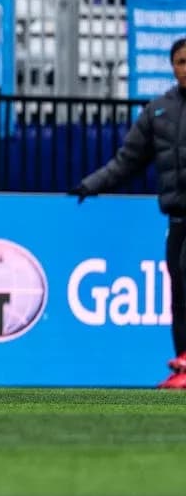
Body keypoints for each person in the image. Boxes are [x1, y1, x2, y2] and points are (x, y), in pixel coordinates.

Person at [72, 37, 186, 390]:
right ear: (173, 67)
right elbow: (127, 162)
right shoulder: (158, 111)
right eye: (182, 61)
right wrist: (91, 185)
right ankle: (183, 368)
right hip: (178, 217)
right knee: (179, 293)